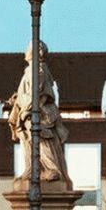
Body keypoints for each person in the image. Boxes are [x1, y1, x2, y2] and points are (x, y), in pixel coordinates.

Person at [6, 41, 71, 184]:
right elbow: (30, 92)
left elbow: (40, 93)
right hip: (30, 112)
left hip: (39, 114)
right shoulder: (32, 70)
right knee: (28, 141)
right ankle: (31, 169)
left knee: (41, 139)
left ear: (35, 52)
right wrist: (19, 99)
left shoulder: (38, 70)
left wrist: (27, 108)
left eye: (28, 48)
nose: (25, 51)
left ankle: (51, 169)